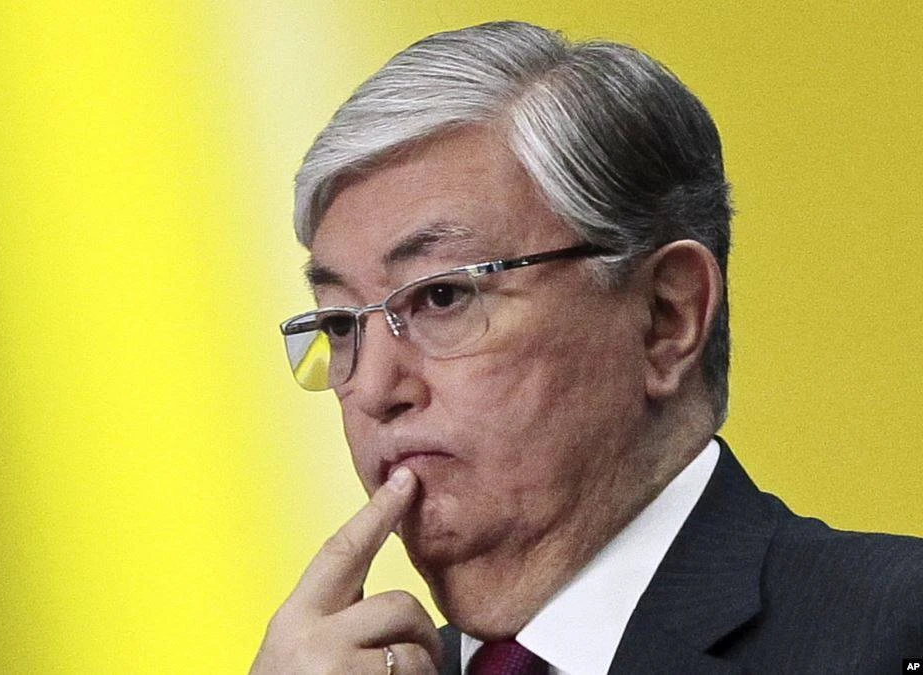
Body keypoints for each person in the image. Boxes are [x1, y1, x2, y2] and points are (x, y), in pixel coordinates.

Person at [251, 21, 923, 675]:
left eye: (443, 296)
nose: (372, 388)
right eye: (341, 324)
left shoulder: (894, 628)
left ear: (666, 318)